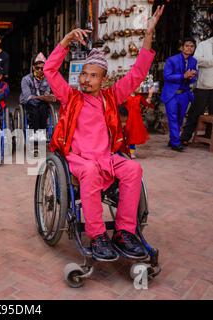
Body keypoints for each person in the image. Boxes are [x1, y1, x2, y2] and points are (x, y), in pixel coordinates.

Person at [44, 6, 165, 262]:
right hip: (79, 158)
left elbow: (137, 74)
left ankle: (123, 232)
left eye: (93, 76)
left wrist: (148, 35)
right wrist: (65, 42)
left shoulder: (111, 97)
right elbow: (50, 71)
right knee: (88, 171)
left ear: (103, 80)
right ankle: (97, 235)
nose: (86, 80)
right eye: (84, 74)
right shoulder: (71, 97)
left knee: (133, 170)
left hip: (107, 157)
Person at [161, 38, 198, 152]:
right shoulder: (171, 60)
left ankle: (173, 139)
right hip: (172, 94)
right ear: (182, 47)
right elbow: (167, 76)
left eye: (192, 46)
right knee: (172, 117)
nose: (189, 48)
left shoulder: (193, 61)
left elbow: (194, 78)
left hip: (184, 94)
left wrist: (192, 77)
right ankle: (176, 143)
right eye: (187, 46)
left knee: (180, 119)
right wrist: (183, 76)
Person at [181, 35, 213, 145]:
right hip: (203, 85)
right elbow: (197, 60)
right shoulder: (204, 45)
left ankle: (208, 137)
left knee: (212, 115)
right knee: (195, 113)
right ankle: (185, 137)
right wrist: (211, 61)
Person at [19, 52, 56, 142]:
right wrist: (43, 97)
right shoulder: (26, 79)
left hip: (41, 102)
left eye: (42, 68)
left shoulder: (47, 80)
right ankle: (33, 133)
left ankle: (42, 133)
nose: (39, 70)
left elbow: (47, 94)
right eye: (37, 68)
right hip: (28, 102)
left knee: (43, 108)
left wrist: (46, 97)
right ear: (33, 67)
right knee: (34, 109)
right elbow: (28, 96)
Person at [123, 87, 155, 158]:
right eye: (137, 86)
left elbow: (146, 104)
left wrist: (150, 94)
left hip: (136, 121)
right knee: (125, 136)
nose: (139, 88)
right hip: (127, 120)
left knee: (133, 137)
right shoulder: (126, 96)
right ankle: (123, 151)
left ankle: (131, 152)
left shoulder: (139, 97)